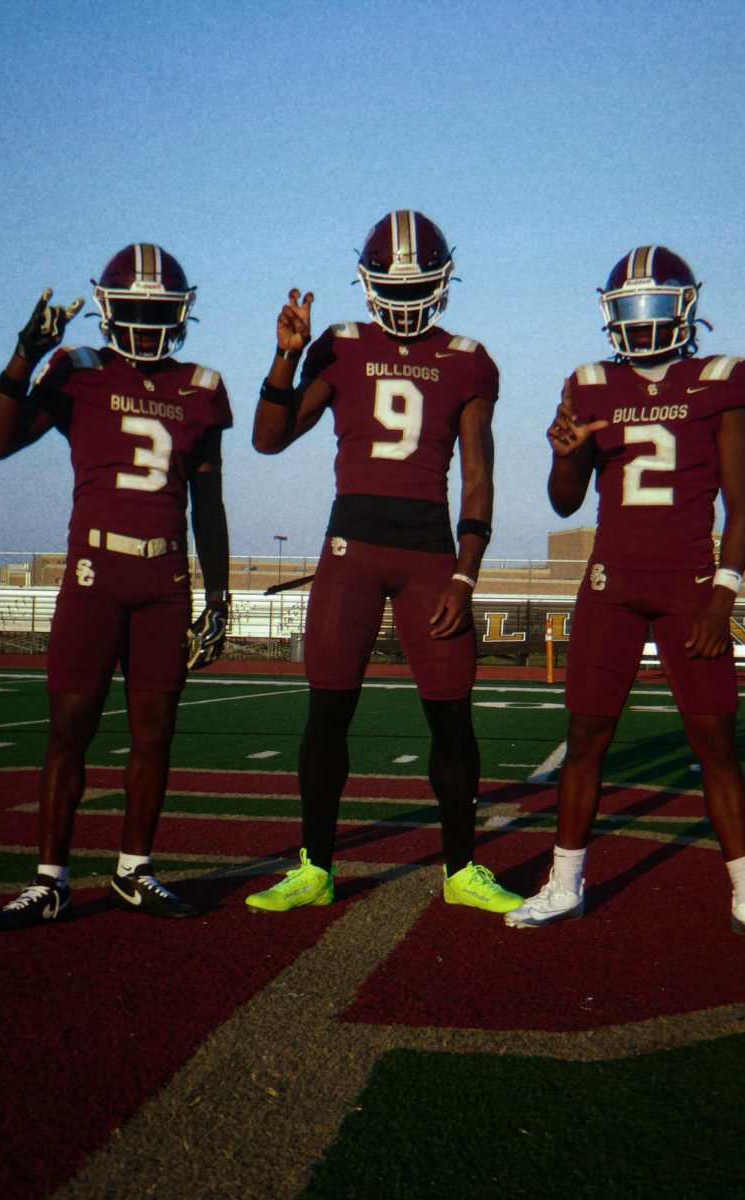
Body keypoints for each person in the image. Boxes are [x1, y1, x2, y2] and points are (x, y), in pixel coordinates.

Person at [504, 245, 745, 948]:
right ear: (611, 316)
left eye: (655, 308)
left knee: (715, 742)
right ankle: (563, 883)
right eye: (630, 311)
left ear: (685, 308)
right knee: (585, 737)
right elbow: (563, 502)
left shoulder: (720, 379)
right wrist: (563, 451)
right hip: (611, 582)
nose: (642, 325)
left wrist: (722, 601)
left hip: (688, 587)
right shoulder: (589, 384)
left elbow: (743, 504)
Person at [247, 209, 522, 914]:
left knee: (452, 715)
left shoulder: (467, 357)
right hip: (353, 547)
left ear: (441, 283)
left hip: (431, 551)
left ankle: (461, 870)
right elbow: (270, 438)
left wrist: (466, 573)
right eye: (394, 292)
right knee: (328, 711)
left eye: (417, 289)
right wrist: (284, 355)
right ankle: (314, 866)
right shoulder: (337, 343)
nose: (404, 306)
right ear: (368, 286)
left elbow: (479, 472)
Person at [0, 243, 232, 932]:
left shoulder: (202, 386)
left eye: (159, 310)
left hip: (164, 580)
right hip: (92, 576)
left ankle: (134, 869)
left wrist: (219, 594)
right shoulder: (76, 369)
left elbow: (208, 505)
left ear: (180, 314)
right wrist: (23, 355)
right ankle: (50, 881)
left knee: (156, 733)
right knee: (69, 729)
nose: (147, 322)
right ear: (109, 310)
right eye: (136, 308)